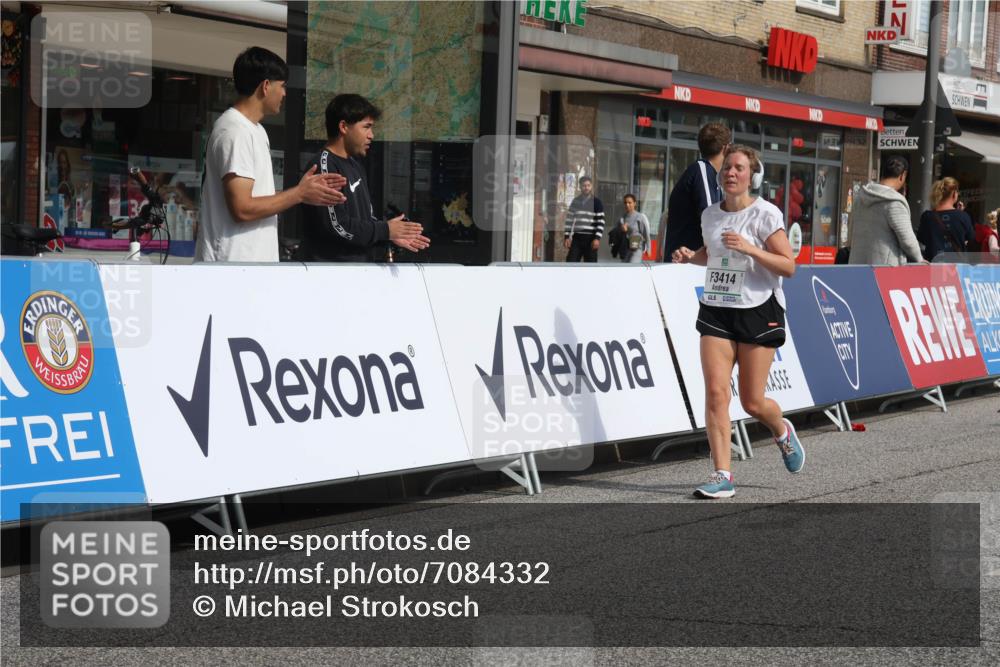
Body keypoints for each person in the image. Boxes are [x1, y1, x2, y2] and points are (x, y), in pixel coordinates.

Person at [671, 145, 804, 499]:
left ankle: (782, 431)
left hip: (759, 308)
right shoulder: (710, 216)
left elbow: (788, 266)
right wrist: (690, 257)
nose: (731, 173)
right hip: (716, 306)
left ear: (751, 176)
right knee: (716, 392)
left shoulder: (765, 215)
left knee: (752, 402)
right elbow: (712, 255)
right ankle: (722, 474)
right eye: (727, 167)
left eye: (739, 168)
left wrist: (750, 249)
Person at [195, 47, 346, 263]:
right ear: (266, 86)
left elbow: (253, 197)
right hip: (231, 268)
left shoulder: (254, 130)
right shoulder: (235, 131)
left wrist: (307, 191)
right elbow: (242, 209)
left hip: (249, 268)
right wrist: (299, 194)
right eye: (282, 86)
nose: (285, 93)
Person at [298, 94, 429, 262]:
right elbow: (337, 226)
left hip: (360, 271)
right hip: (330, 275)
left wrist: (389, 236)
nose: (371, 135)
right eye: (366, 127)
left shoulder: (355, 165)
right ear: (344, 127)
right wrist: (385, 230)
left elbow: (366, 221)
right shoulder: (324, 165)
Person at [663, 122, 732, 260]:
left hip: (689, 261)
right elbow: (711, 218)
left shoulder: (708, 174)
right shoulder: (702, 170)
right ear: (726, 148)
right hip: (684, 263)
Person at [848, 155, 924, 266]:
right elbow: (907, 240)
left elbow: (851, 231)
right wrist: (919, 258)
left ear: (882, 173)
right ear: (903, 176)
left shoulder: (861, 197)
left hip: (858, 267)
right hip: (885, 270)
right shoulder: (894, 202)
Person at [916, 177, 975, 262]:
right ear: (954, 194)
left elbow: (922, 238)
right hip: (957, 267)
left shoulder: (927, 216)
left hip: (933, 266)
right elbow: (971, 238)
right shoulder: (963, 216)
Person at [564, 176, 605, 262]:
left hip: (591, 239)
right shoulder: (575, 201)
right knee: (571, 263)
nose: (586, 188)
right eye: (584, 185)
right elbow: (569, 220)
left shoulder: (597, 202)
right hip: (577, 238)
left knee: (590, 267)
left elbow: (600, 222)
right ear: (580, 187)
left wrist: (597, 238)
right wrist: (567, 237)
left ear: (591, 186)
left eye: (588, 185)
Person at [615, 194, 650, 263]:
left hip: (636, 248)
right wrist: (621, 230)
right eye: (625, 203)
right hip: (625, 249)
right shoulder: (622, 218)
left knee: (633, 268)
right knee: (625, 270)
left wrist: (648, 249)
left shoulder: (640, 217)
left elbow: (646, 234)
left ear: (635, 203)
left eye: (629, 202)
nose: (627, 205)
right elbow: (615, 233)